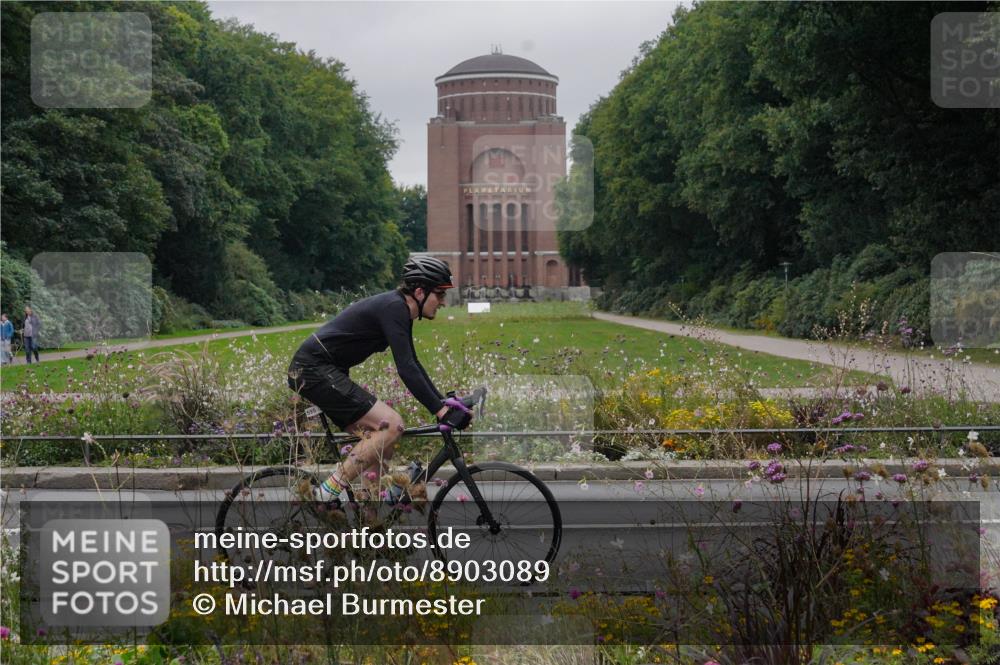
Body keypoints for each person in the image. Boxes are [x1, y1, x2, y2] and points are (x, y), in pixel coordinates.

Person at [287, 256, 473, 509]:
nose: (442, 301)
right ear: (420, 291)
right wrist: (441, 411)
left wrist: (442, 402)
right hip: (313, 369)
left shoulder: (400, 310)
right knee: (391, 426)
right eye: (439, 294)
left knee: (379, 449)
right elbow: (405, 368)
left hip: (324, 371)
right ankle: (327, 491)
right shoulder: (393, 308)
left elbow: (413, 363)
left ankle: (370, 532)